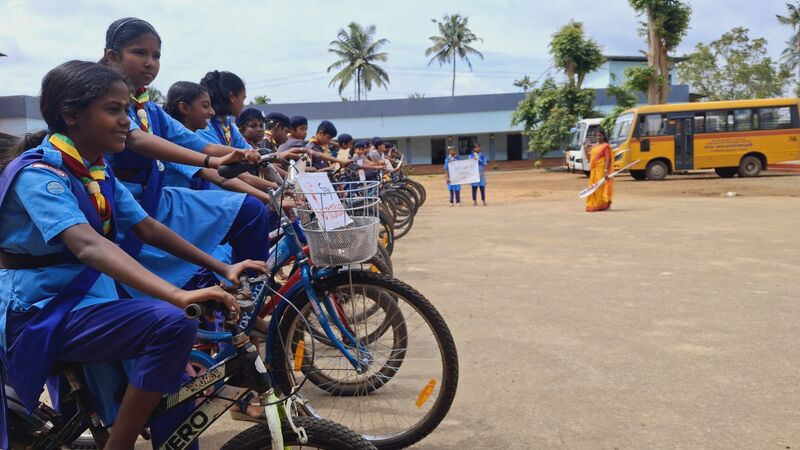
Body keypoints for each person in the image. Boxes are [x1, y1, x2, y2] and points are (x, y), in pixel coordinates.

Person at [0, 60, 266, 450]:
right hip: (42, 310)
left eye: (127, 109)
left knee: (178, 394)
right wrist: (177, 296)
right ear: (71, 116)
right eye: (114, 110)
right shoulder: (41, 175)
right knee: (173, 323)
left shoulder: (96, 170)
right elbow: (89, 245)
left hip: (91, 299)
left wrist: (223, 266)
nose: (128, 120)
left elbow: (148, 227)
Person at [100, 18, 271, 297]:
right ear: (112, 56)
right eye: (139, 53)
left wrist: (235, 154)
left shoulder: (151, 110)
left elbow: (198, 145)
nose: (150, 62)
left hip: (158, 201)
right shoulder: (107, 105)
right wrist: (214, 162)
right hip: (121, 204)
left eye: (156, 56)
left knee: (251, 211)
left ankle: (247, 296)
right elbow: (138, 140)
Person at [585, 128, 614, 212]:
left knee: (599, 188)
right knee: (592, 187)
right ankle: (593, 204)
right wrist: (585, 148)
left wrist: (605, 171)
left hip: (601, 171)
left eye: (600, 135)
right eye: (597, 136)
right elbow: (589, 158)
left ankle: (601, 205)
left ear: (604, 136)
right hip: (593, 171)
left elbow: (608, 159)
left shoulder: (605, 146)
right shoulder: (594, 146)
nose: (598, 137)